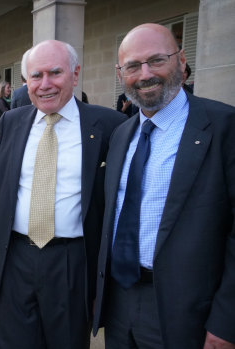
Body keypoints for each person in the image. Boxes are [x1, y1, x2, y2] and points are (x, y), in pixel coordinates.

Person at [0, 40, 125, 348]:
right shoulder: (13, 121)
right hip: (14, 258)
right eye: (36, 75)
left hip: (72, 261)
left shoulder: (109, 124)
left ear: (75, 74)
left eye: (55, 73)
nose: (45, 84)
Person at [93, 23, 235, 349]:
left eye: (157, 60)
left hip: (187, 311)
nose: (145, 74)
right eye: (133, 66)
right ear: (120, 73)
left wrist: (227, 320)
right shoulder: (120, 136)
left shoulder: (225, 128)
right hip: (118, 301)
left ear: (181, 61)